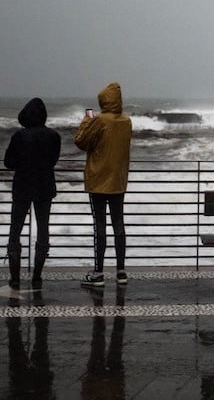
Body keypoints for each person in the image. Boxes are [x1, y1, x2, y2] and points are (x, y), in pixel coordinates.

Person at [75, 82, 133, 287]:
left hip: (98, 180)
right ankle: (121, 272)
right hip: (118, 180)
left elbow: (81, 141)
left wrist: (86, 119)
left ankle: (98, 273)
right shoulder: (126, 121)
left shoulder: (98, 120)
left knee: (99, 225)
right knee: (119, 225)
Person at [3, 97, 61, 290]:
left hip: (22, 187)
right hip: (44, 187)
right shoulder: (54, 136)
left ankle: (15, 277)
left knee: (15, 230)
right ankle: (37, 275)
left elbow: (8, 162)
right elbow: (53, 161)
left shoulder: (19, 136)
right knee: (43, 229)